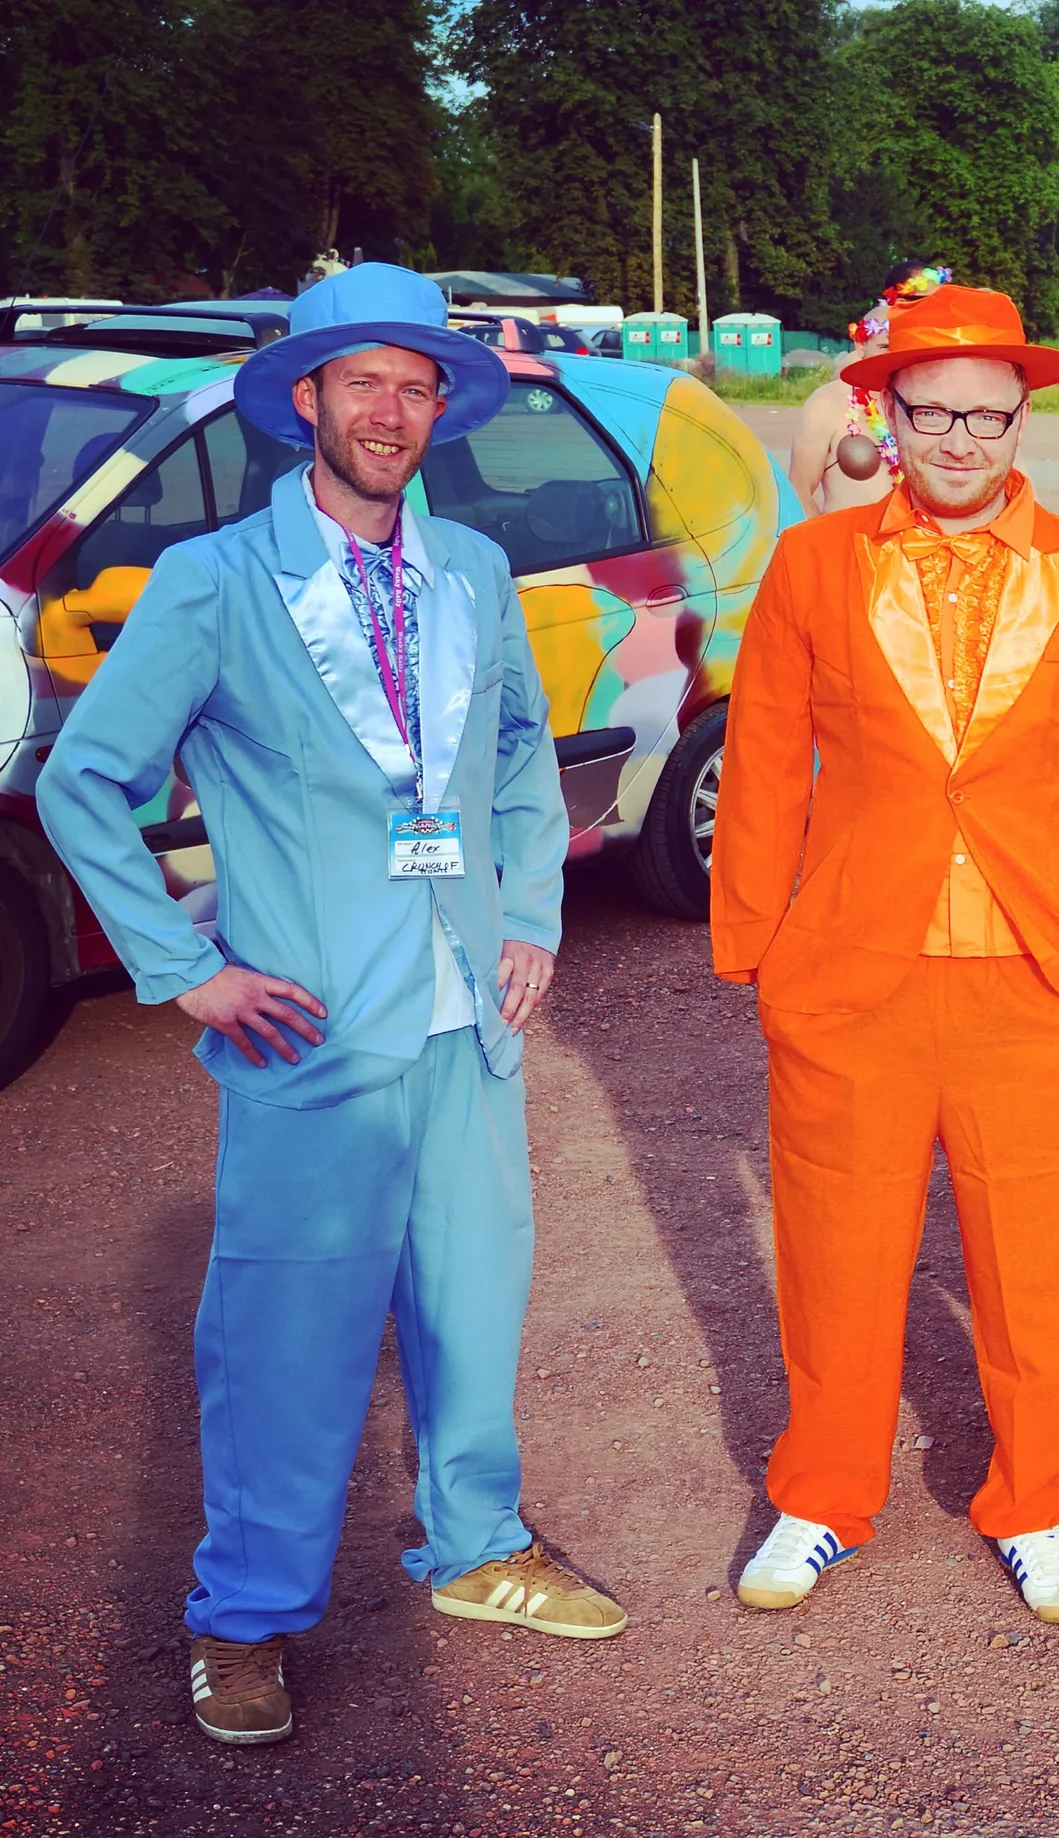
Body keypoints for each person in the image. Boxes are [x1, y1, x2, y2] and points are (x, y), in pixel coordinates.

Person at [35, 263, 624, 1751]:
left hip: (468, 1021)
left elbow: (516, 757)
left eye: (415, 386)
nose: (390, 410)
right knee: (287, 1334)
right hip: (312, 1033)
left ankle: (477, 1544)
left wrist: (531, 915)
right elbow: (84, 779)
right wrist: (185, 970)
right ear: (306, 399)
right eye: (362, 382)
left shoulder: (472, 568)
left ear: (441, 409)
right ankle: (242, 1617)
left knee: (473, 1302)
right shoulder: (215, 582)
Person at [711, 283, 1059, 1627]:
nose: (960, 440)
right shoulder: (813, 565)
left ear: (1025, 419)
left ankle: (1036, 1502)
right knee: (836, 1245)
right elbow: (761, 765)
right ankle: (822, 1491)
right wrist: (754, 946)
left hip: (1039, 972)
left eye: (986, 415)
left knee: (1042, 1259)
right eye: (931, 414)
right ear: (886, 414)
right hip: (852, 968)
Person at [789, 260, 950, 515]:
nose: (931, 313)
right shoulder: (833, 398)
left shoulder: (939, 394)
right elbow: (798, 493)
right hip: (846, 538)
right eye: (921, 301)